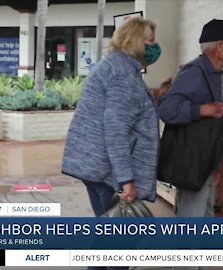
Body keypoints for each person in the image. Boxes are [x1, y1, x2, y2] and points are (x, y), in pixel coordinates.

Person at [62, 17, 161, 218]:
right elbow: (116, 130)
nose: (155, 45)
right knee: (117, 239)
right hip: (108, 173)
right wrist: (126, 180)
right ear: (135, 41)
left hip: (96, 166)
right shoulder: (123, 74)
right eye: (150, 40)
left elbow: (124, 111)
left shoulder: (114, 66)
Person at [159, 19, 223, 217]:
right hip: (192, 162)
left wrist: (216, 164)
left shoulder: (217, 75)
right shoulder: (195, 73)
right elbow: (167, 110)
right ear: (219, 46)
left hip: (206, 161)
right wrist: (201, 110)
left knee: (205, 216)